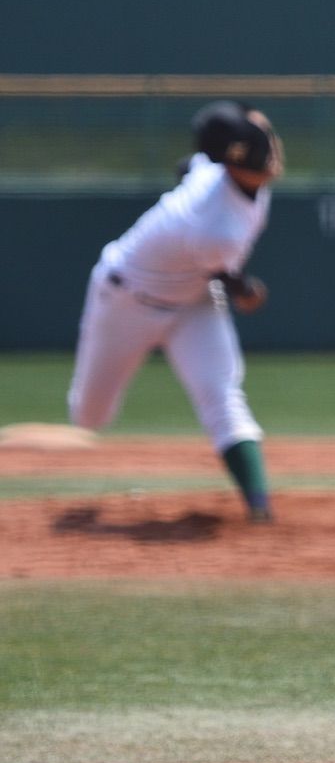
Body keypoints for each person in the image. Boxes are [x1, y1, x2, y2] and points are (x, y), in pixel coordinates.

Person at [68, 100, 284, 523]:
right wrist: (248, 294)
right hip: (126, 300)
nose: (273, 158)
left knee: (221, 394)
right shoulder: (216, 228)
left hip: (192, 304)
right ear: (238, 164)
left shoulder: (216, 168)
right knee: (89, 415)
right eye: (262, 153)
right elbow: (229, 279)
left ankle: (260, 507)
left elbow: (192, 164)